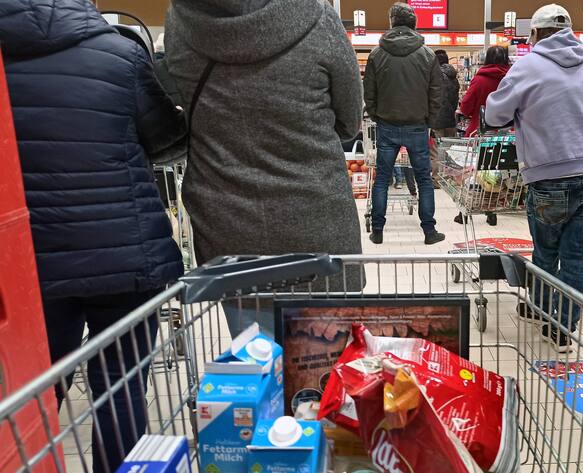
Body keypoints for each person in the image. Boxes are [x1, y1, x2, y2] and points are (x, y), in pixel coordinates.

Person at [0, 0, 186, 471]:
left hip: (30, 265)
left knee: (34, 397)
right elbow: (165, 137)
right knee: (121, 390)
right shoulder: (119, 54)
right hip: (125, 254)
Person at [166, 0, 364, 336]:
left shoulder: (181, 21)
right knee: (323, 364)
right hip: (316, 215)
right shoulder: (317, 17)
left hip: (226, 219)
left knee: (255, 352)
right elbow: (349, 122)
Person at [485, 4, 583, 351]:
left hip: (551, 172)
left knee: (546, 251)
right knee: (576, 256)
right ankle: (563, 329)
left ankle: (541, 309)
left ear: (536, 33)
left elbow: (496, 114)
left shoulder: (528, 64)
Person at [364, 2, 446, 246]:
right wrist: (429, 120)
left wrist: (378, 115)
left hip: (387, 125)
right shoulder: (428, 55)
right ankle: (429, 232)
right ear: (415, 24)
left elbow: (369, 92)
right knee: (423, 179)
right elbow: (436, 92)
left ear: (391, 23)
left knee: (382, 179)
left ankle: (377, 230)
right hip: (417, 125)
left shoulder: (376, 54)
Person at [454, 45, 512, 227]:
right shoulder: (512, 78)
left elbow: (466, 107)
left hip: (480, 131)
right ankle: (492, 209)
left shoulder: (480, 79)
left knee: (473, 171)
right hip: (506, 132)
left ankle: (465, 210)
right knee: (497, 173)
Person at [430, 49, 460, 187]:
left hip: (437, 120)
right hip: (451, 119)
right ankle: (450, 179)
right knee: (450, 151)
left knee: (436, 151)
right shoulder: (454, 77)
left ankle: (437, 180)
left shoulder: (436, 76)